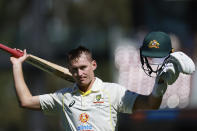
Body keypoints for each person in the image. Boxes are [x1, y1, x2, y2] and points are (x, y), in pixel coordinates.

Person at [10, 31, 195, 131]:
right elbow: (25, 101)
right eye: (74, 70)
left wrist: (159, 86)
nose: (79, 73)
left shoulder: (112, 92)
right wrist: (17, 66)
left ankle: (163, 78)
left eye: (83, 67)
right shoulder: (63, 98)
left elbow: (150, 104)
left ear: (94, 65)